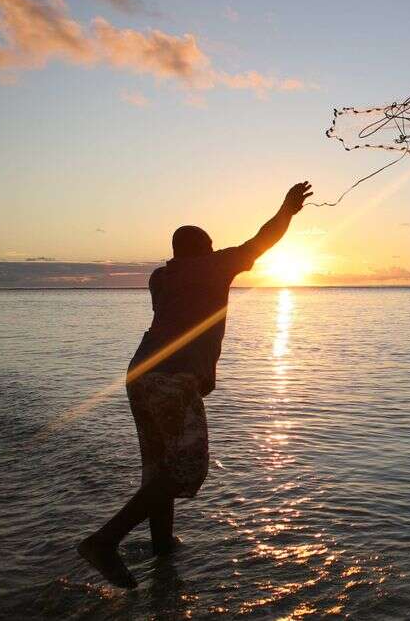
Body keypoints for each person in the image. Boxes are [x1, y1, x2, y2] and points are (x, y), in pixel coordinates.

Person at [77, 182, 313, 588]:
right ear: (206, 249)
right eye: (211, 247)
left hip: (141, 376)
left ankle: (163, 546)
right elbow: (262, 240)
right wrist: (287, 210)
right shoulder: (213, 266)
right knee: (187, 470)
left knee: (159, 468)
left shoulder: (160, 277)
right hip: (173, 378)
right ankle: (104, 541)